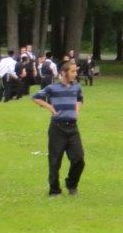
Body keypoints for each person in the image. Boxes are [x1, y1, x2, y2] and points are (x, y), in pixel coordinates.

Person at [32, 60, 85, 197]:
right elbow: (36, 97)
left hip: (72, 128)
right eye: (72, 71)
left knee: (79, 159)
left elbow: (79, 99)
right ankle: (54, 191)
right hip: (57, 128)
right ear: (63, 73)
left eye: (76, 71)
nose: (75, 74)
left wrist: (76, 110)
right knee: (55, 161)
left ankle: (71, 184)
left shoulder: (77, 87)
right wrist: (50, 107)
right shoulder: (52, 88)